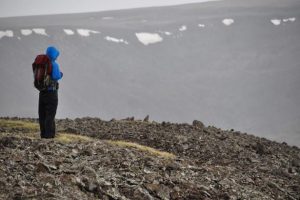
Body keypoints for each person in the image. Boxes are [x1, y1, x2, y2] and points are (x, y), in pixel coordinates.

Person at [38, 46, 63, 138]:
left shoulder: (41, 63)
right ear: (54, 55)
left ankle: (43, 134)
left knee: (42, 114)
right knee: (50, 115)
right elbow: (56, 76)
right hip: (51, 93)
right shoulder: (54, 64)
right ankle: (49, 136)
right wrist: (61, 74)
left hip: (42, 92)